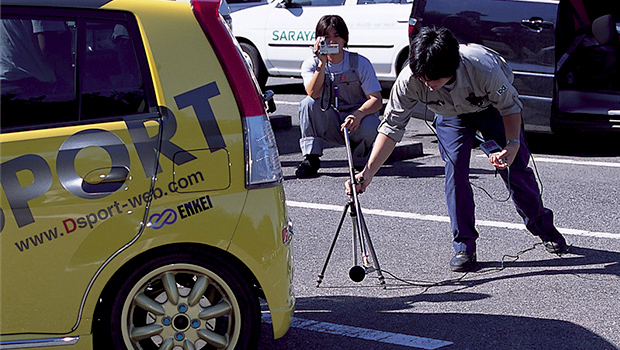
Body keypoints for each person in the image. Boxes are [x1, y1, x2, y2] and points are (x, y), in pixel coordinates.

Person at [348, 26, 569, 272]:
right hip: (451, 116)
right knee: (455, 172)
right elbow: (390, 128)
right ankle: (464, 246)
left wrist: (512, 145)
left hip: (492, 111)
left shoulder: (483, 68)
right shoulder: (410, 78)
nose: (428, 85)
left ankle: (544, 228)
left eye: (434, 79)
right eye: (423, 78)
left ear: (451, 69)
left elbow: (510, 107)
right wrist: (367, 173)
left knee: (515, 169)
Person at [296, 15, 383, 178]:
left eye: (336, 36)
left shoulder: (360, 63)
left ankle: (361, 159)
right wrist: (321, 64)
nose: (332, 42)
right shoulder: (311, 63)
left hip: (356, 121)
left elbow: (376, 100)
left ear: (344, 39)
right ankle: (311, 157)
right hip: (329, 120)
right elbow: (313, 93)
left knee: (372, 121)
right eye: (326, 37)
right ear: (318, 41)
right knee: (307, 104)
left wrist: (359, 114)